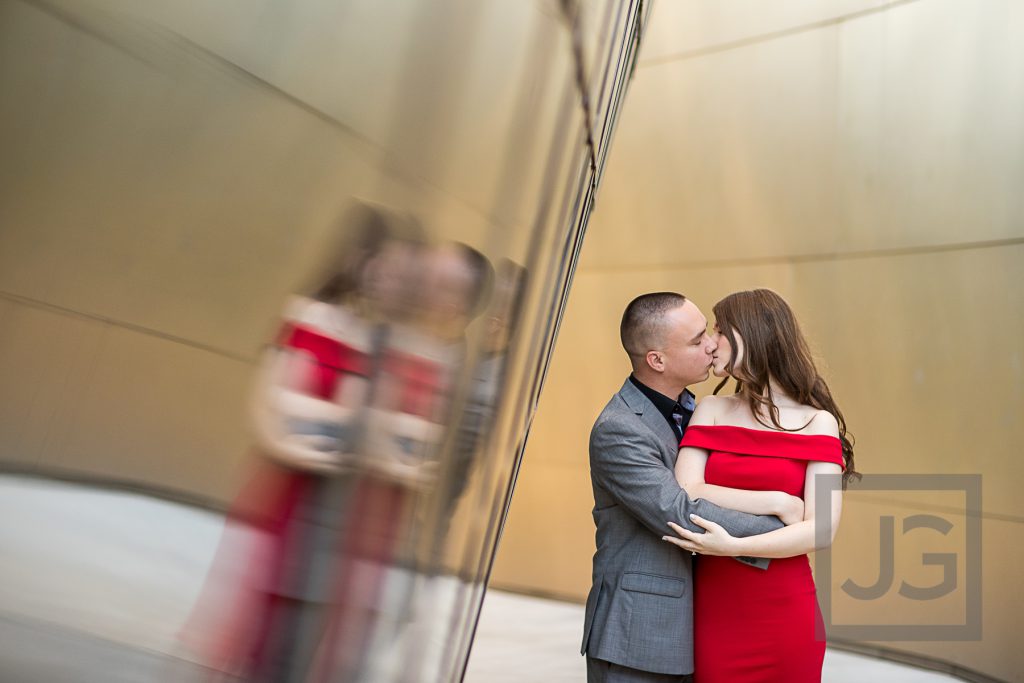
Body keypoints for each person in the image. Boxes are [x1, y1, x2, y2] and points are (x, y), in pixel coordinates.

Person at [583, 292, 804, 683]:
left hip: (700, 624)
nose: (712, 344)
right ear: (657, 360)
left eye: (710, 331)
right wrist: (785, 528)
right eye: (697, 339)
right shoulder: (620, 428)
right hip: (639, 633)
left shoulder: (693, 408)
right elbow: (678, 512)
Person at [662, 288, 858, 682]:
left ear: (751, 334)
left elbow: (821, 529)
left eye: (719, 328)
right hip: (716, 608)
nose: (711, 342)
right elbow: (686, 491)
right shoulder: (711, 409)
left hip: (785, 610)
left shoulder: (818, 422)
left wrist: (734, 546)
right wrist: (776, 501)